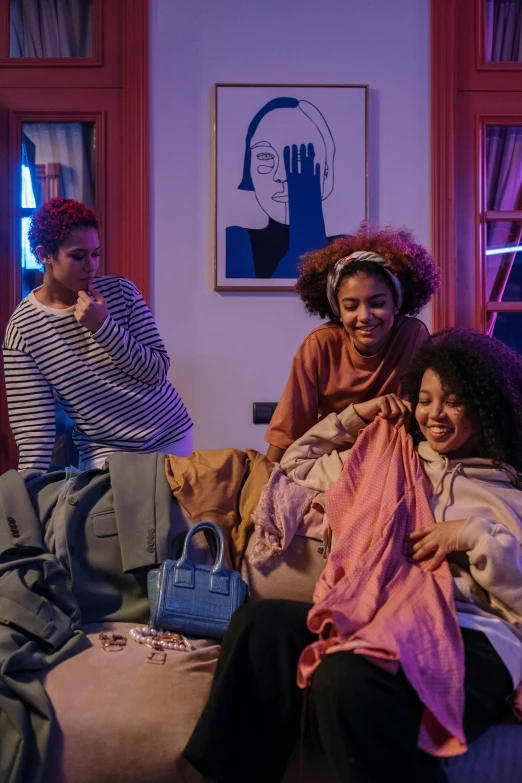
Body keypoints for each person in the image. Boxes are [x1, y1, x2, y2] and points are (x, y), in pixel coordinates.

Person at [184, 330, 522, 783]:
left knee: (345, 678)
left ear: (484, 407)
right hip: (377, 617)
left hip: (472, 635)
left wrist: (471, 534)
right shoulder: (390, 456)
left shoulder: (507, 490)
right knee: (259, 626)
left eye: (454, 401)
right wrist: (354, 416)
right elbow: (293, 468)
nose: (434, 414)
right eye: (424, 399)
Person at [3, 197, 193, 472]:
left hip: (170, 437)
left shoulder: (122, 292)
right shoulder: (23, 330)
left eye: (95, 254)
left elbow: (156, 371)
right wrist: (27, 498)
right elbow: (34, 427)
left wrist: (104, 327)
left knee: (174, 516)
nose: (91, 266)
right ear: (44, 254)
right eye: (78, 256)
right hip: (104, 450)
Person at [265, 222, 441, 462]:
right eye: (351, 306)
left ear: (396, 304)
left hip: (392, 457)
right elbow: (288, 433)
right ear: (337, 310)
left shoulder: (413, 336)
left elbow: (425, 416)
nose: (364, 316)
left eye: (377, 303)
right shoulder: (320, 345)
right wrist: (264, 487)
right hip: (330, 461)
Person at [226, 96, 337, 279]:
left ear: (326, 169)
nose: (281, 177)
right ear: (249, 169)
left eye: (301, 157)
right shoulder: (235, 242)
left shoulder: (349, 248)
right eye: (265, 156)